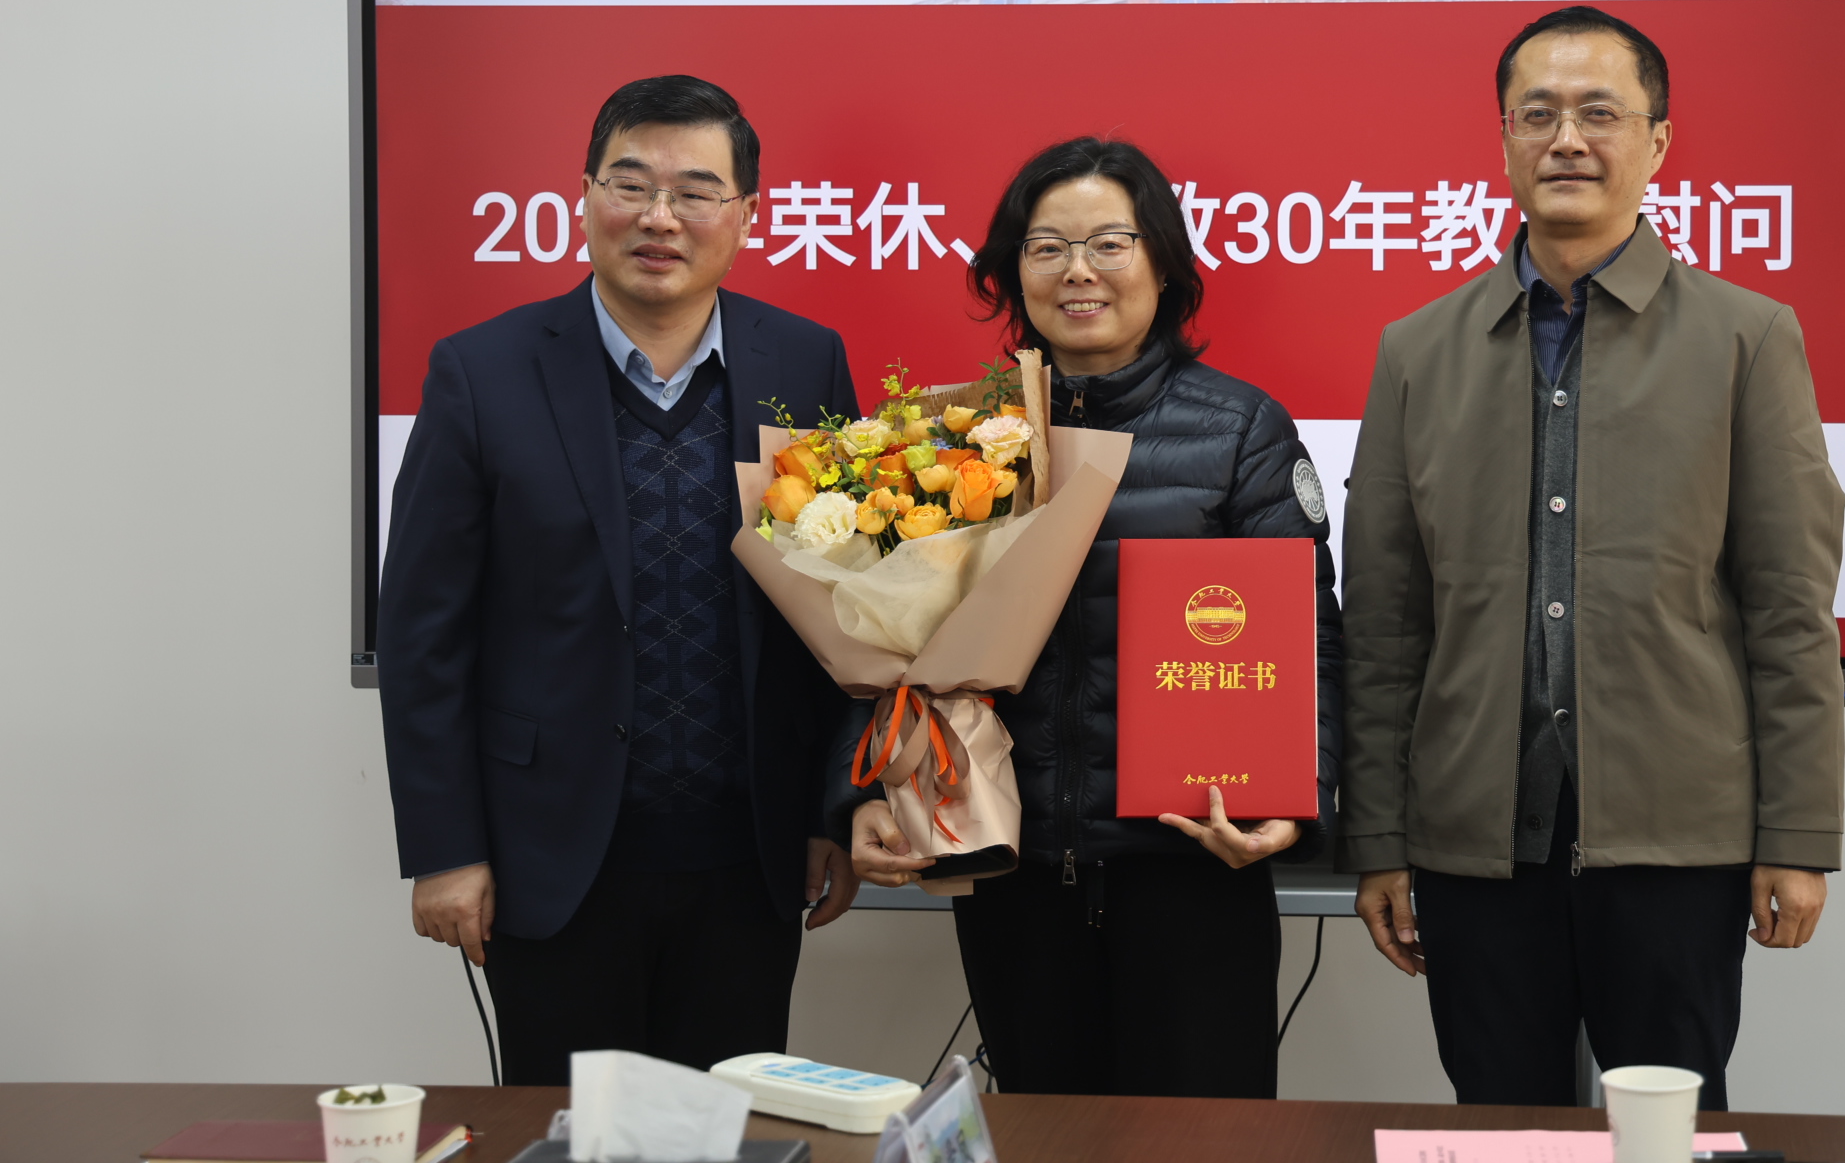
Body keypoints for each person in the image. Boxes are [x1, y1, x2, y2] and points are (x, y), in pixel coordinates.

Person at [1342, 6, 1845, 1109]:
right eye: (1539, 114)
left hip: (1678, 838)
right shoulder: (1417, 352)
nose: (1567, 138)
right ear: (1504, 139)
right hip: (1474, 836)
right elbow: (1383, 623)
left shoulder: (1746, 338)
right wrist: (1377, 836)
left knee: (1667, 1127)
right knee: (1500, 1126)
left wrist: (1798, 834)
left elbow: (1791, 606)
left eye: (1599, 113)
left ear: (1656, 142)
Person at [379, 75, 863, 1084]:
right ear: (585, 196)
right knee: (572, 1135)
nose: (659, 217)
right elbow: (424, 634)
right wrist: (445, 848)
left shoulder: (806, 362)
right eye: (630, 184)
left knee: (726, 1133)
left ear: (746, 214)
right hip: (549, 859)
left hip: (749, 858)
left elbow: (841, 608)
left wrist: (830, 812)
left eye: (696, 191)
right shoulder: (482, 371)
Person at [846, 137, 1341, 1099]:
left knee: (1205, 1143)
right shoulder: (956, 439)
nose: (1078, 271)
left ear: (1164, 263)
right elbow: (880, 643)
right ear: (1011, 272)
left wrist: (1297, 795)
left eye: (1110, 243)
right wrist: (862, 789)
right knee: (1044, 1137)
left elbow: (1310, 641)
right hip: (1016, 872)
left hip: (1192, 869)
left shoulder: (1241, 429)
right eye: (1047, 247)